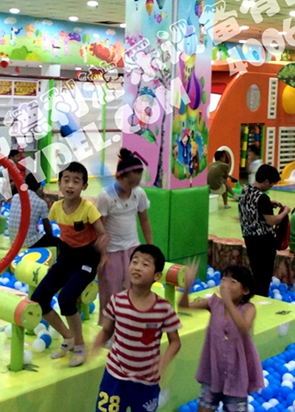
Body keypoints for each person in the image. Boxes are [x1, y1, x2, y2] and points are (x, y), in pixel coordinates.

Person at [30, 162, 108, 367]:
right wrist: (56, 262)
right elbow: (62, 238)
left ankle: (80, 345)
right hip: (65, 259)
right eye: (66, 180)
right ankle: (68, 337)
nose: (70, 185)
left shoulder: (88, 208)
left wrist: (103, 257)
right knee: (38, 299)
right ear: (60, 183)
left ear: (84, 186)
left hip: (86, 260)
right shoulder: (56, 208)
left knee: (66, 299)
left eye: (76, 181)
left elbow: (103, 234)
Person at [92, 245, 181, 412]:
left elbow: (175, 341)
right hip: (115, 376)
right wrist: (94, 347)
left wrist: (163, 363)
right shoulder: (117, 301)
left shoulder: (163, 308)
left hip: (147, 382)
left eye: (145, 264)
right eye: (134, 262)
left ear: (157, 275)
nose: (137, 267)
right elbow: (107, 330)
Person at [180, 261, 264, 412]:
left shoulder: (248, 308)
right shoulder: (213, 303)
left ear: (245, 290)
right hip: (213, 373)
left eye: (232, 282)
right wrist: (187, 287)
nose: (225, 285)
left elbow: (244, 328)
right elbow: (184, 305)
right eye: (223, 280)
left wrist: (228, 302)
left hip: (236, 376)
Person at [95, 149, 153, 327]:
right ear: (119, 177)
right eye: (130, 183)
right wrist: (102, 255)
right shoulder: (106, 197)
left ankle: (130, 324)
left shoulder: (139, 194)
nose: (133, 186)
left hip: (132, 249)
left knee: (134, 288)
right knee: (110, 291)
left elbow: (144, 221)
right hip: (112, 251)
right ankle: (108, 328)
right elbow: (100, 228)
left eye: (137, 183)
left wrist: (150, 247)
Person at [238, 164, 290, 297]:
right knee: (264, 274)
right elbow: (272, 221)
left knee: (256, 269)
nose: (271, 186)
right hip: (263, 241)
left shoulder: (245, 189)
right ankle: (261, 297)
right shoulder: (262, 198)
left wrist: (268, 204)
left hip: (249, 237)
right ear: (266, 181)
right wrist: (285, 212)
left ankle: (254, 294)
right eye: (271, 184)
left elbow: (251, 205)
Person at [7, 172, 57, 249]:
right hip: (29, 242)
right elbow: (47, 227)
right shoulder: (41, 203)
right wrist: (50, 238)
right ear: (40, 186)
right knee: (57, 242)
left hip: (14, 240)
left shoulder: (15, 197)